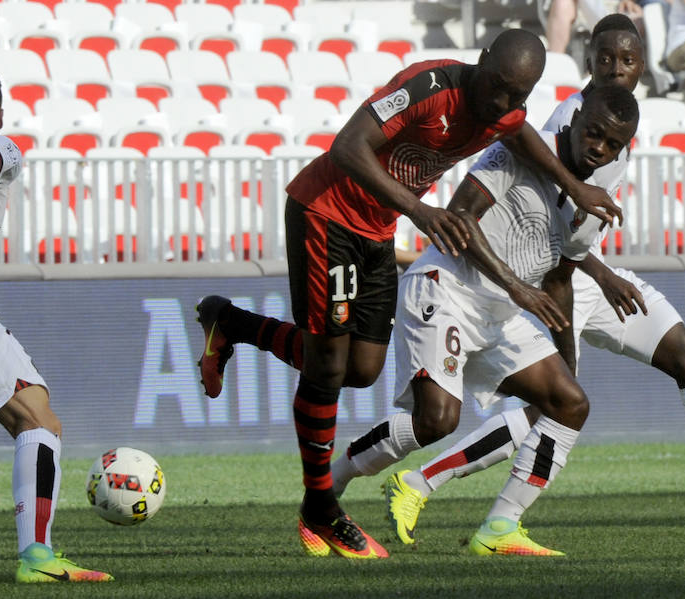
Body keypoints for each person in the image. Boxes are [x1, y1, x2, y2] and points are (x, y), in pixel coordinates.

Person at [374, 14, 685, 548]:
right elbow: (545, 219)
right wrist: (597, 272)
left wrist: (602, 269)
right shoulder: (572, 120)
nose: (616, 68)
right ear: (589, 61)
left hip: (585, 274)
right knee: (558, 404)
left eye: (628, 60)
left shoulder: (616, 123)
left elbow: (576, 224)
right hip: (551, 279)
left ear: (642, 67)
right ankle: (437, 490)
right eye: (606, 58)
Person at [194, 29, 624, 559]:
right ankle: (320, 508)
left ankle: (230, 322)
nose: (502, 104)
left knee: (359, 370)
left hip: (376, 231)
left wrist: (574, 186)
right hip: (325, 215)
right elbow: (346, 146)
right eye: (497, 88)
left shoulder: (503, 108)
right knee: (329, 368)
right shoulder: (429, 86)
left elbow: (521, 133)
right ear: (481, 60)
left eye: (517, 96)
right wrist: (421, 212)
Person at [330, 83, 640, 556]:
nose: (599, 147)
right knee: (436, 421)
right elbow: (459, 218)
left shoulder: (595, 198)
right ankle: (331, 485)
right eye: (593, 133)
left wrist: (566, 359)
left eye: (612, 144)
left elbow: (560, 276)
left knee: (569, 403)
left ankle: (499, 528)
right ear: (574, 121)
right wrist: (517, 286)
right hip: (446, 288)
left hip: (501, 313)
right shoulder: (515, 152)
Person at [0, 76, 113, 584]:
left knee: (36, 413)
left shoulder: (5, 152)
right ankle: (37, 559)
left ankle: (39, 556)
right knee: (37, 421)